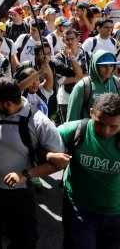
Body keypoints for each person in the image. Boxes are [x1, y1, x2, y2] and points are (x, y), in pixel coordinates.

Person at [0, 77, 64, 249]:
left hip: (18, 193)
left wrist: (25, 175)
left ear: (7, 104)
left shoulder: (39, 122)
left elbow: (59, 162)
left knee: (27, 237)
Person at [54, 93, 120, 249]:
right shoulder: (71, 131)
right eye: (99, 123)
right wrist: (49, 155)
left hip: (116, 215)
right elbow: (39, 149)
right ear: (91, 113)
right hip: (79, 211)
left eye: (113, 127)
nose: (106, 131)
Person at [66, 51, 120, 121]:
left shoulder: (117, 83)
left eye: (111, 65)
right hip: (89, 130)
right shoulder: (83, 86)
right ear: (95, 66)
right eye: (104, 66)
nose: (108, 69)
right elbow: (72, 117)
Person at [52, 28, 88, 123]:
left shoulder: (87, 55)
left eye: (72, 39)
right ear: (63, 40)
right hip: (65, 97)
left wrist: (74, 78)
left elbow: (91, 76)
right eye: (67, 39)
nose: (70, 42)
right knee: (67, 124)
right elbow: (61, 80)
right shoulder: (58, 58)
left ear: (78, 38)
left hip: (85, 96)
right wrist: (81, 76)